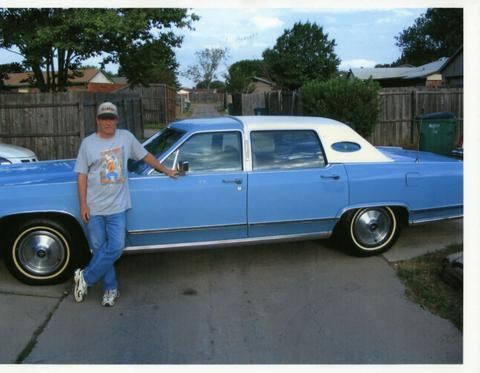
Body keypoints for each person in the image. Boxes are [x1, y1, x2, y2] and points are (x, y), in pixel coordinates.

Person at [73, 102, 178, 307]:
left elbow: (145, 156)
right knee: (100, 249)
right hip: (94, 208)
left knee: (115, 247)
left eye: (111, 118)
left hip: (118, 207)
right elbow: (82, 176)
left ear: (117, 120)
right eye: (104, 118)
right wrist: (83, 205)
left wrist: (165, 170)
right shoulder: (88, 143)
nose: (108, 122)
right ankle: (110, 289)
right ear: (97, 120)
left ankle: (84, 278)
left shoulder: (126, 138)